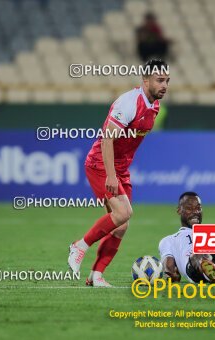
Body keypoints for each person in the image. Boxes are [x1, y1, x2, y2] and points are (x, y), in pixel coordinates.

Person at [68, 59, 170, 287]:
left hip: (120, 167)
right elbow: (107, 139)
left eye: (167, 81)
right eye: (159, 80)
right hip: (101, 164)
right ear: (145, 81)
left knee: (121, 225)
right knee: (123, 213)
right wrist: (112, 176)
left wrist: (119, 171)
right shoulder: (129, 103)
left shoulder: (155, 105)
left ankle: (96, 276)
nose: (164, 85)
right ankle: (79, 246)